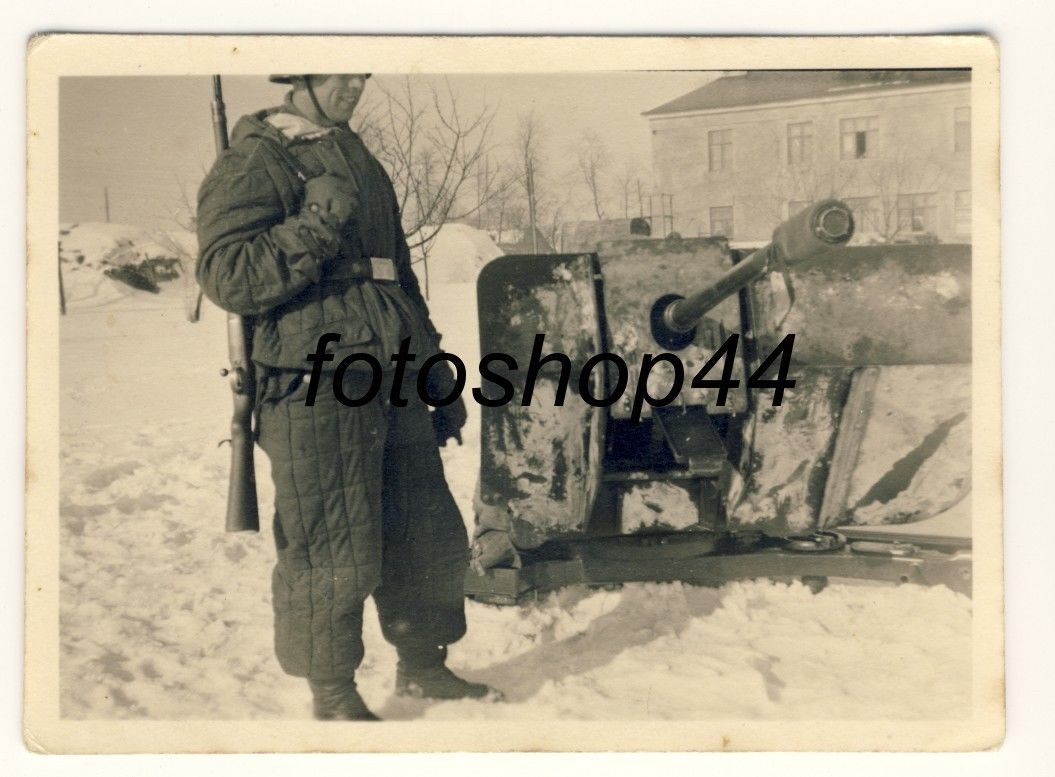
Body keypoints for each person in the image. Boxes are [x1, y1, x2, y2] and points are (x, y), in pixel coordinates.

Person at [196, 73, 492, 720]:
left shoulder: (355, 152)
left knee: (422, 530)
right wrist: (317, 221)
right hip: (313, 380)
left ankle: (423, 666)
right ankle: (332, 694)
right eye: (340, 72)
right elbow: (227, 276)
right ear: (300, 71)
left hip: (391, 371)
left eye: (362, 72)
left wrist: (433, 370)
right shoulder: (256, 158)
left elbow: (397, 276)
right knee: (333, 540)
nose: (355, 84)